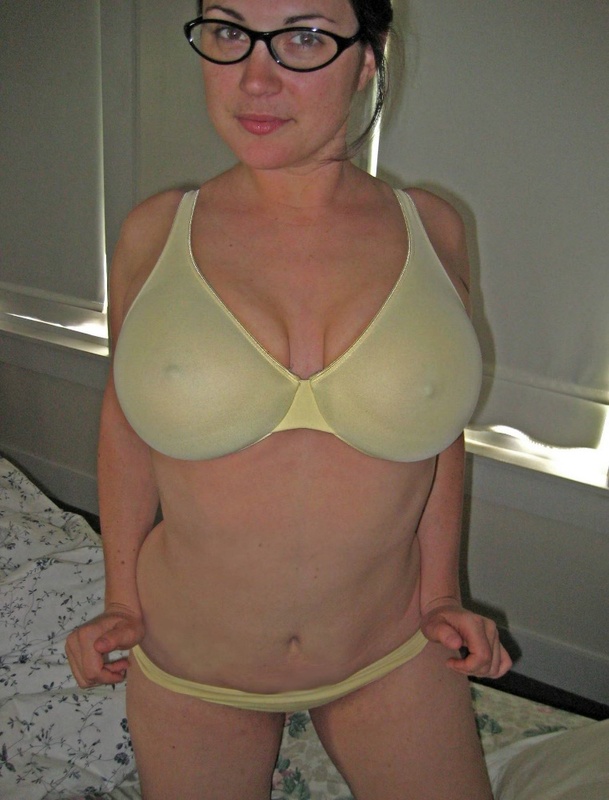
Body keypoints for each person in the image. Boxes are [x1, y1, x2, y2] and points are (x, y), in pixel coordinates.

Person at [66, 1, 512, 798]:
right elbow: (126, 426)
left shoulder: (431, 229)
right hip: (195, 664)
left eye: (304, 37)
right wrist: (120, 600)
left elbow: (435, 427)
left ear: (367, 59)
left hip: (388, 649)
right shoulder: (154, 234)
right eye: (228, 32)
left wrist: (441, 593)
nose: (255, 77)